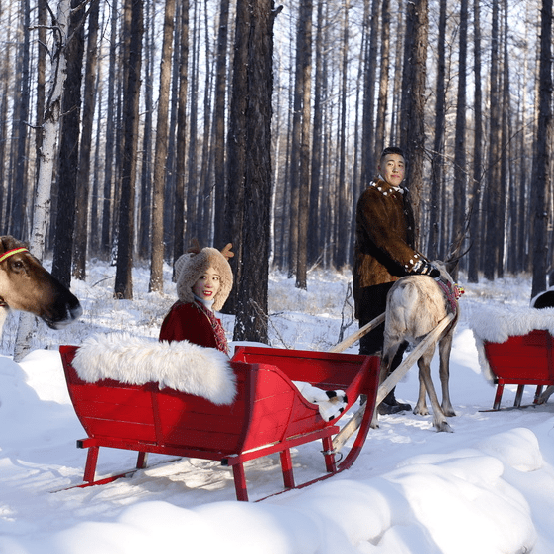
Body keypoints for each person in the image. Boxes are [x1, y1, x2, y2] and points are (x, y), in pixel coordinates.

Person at [353, 146, 440, 414]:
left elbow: (403, 243)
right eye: (389, 164)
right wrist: (415, 264)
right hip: (375, 282)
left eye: (400, 165)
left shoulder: (401, 198)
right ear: (379, 168)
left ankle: (386, 397)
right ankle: (369, 400)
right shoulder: (371, 198)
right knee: (375, 343)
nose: (395, 169)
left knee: (398, 342)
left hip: (399, 283)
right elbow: (384, 239)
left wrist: (423, 264)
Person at [159, 244, 233, 355]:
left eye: (215, 278)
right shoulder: (185, 313)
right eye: (202, 277)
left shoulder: (205, 312)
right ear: (190, 280)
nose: (209, 284)